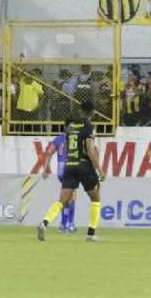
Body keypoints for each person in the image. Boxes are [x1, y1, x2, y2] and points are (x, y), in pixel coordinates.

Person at [37, 100, 103, 243]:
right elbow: (90, 150)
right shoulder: (88, 126)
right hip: (84, 166)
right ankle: (91, 234)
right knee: (95, 198)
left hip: (70, 165)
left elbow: (66, 149)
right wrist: (100, 169)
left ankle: (44, 223)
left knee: (62, 200)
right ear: (92, 112)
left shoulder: (71, 127)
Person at [45, 130, 75, 233]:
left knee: (66, 196)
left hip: (61, 170)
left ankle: (65, 224)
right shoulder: (75, 138)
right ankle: (68, 224)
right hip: (71, 168)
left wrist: (46, 168)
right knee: (72, 197)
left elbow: (49, 152)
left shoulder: (58, 139)